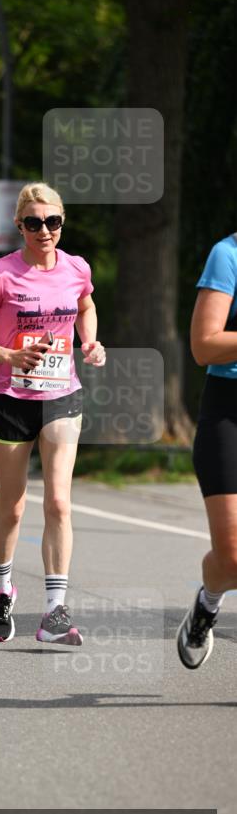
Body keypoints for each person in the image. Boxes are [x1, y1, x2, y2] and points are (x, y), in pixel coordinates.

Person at [0, 182, 106, 644]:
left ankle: (55, 611)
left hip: (62, 394)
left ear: (62, 223)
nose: (45, 231)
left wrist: (89, 341)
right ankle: (2, 588)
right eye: (35, 223)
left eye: (53, 222)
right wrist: (8, 355)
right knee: (13, 506)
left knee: (59, 500)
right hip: (10, 400)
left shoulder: (77, 267)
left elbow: (86, 305)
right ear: (20, 226)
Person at [177, 234, 237, 668]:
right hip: (228, 408)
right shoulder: (228, 253)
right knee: (232, 557)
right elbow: (204, 345)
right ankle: (207, 605)